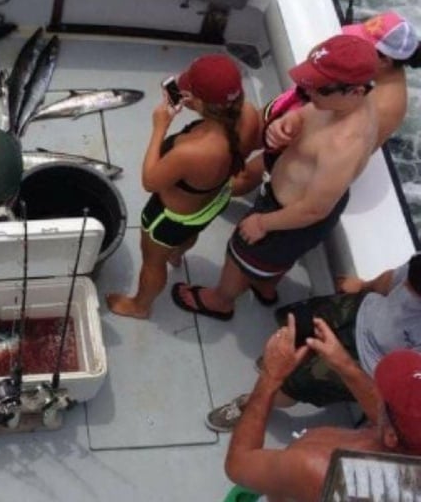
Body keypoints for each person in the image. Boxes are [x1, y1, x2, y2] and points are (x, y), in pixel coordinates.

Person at [171, 35, 379, 320]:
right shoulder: (342, 102)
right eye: (309, 83)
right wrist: (289, 121)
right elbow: (309, 112)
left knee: (240, 252)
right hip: (288, 201)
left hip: (290, 216)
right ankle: (265, 285)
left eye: (319, 88)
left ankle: (220, 301)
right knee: (275, 261)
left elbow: (314, 210)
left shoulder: (344, 144)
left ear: (355, 91)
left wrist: (263, 222)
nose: (308, 92)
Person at [106, 54, 261, 319]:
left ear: (200, 102)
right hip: (212, 203)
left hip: (170, 218)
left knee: (152, 263)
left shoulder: (192, 152)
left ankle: (139, 306)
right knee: (190, 232)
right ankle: (177, 254)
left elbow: (149, 181)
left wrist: (160, 127)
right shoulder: (250, 115)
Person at [206, 252, 421, 432]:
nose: (406, 289)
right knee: (296, 324)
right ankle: (283, 359)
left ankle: (250, 404)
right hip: (359, 309)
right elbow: (391, 279)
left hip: (367, 363)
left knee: (296, 385)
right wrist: (363, 285)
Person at [222, 315, 421, 502]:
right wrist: (344, 365)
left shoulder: (318, 469)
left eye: (386, 399)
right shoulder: (407, 452)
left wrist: (270, 376)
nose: (378, 391)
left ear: (391, 436)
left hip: (290, 479)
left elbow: (237, 465)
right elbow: (388, 419)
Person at [232, 11, 420, 197]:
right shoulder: (365, 67)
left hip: (297, 139)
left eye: (361, 43)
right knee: (244, 136)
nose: (351, 44)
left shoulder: (385, 105)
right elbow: (317, 55)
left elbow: (352, 148)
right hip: (299, 104)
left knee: (246, 176)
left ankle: (216, 193)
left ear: (385, 61)